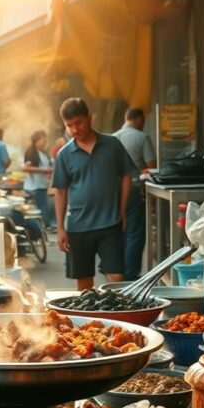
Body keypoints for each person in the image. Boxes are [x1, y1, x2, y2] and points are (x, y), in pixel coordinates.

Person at [53, 98, 135, 291]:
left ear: (89, 117)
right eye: (69, 126)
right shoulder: (64, 155)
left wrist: (122, 211)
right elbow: (60, 191)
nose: (75, 130)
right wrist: (60, 228)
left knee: (116, 277)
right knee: (84, 284)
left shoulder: (112, 144)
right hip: (78, 227)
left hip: (110, 223)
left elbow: (126, 176)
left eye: (79, 123)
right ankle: (90, 320)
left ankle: (118, 319)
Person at [113, 107, 158, 281]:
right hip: (133, 189)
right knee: (135, 232)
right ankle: (130, 274)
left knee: (119, 231)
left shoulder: (112, 138)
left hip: (114, 191)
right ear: (139, 119)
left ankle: (117, 270)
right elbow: (152, 167)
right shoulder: (142, 137)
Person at [22, 130, 55, 229]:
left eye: (46, 140)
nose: (45, 143)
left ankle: (44, 226)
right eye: (43, 140)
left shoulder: (42, 153)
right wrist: (44, 170)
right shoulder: (31, 152)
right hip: (34, 186)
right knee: (41, 208)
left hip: (42, 185)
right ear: (36, 141)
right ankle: (44, 227)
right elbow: (26, 168)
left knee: (43, 207)